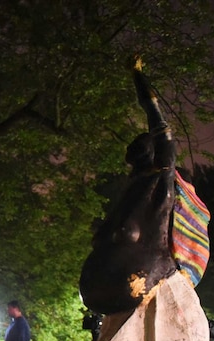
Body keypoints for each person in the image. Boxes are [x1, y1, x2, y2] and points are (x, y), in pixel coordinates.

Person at [79, 58, 180, 315]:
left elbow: (161, 128)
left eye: (142, 143)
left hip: (140, 277)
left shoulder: (160, 178)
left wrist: (138, 76)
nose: (133, 149)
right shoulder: (132, 188)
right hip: (109, 285)